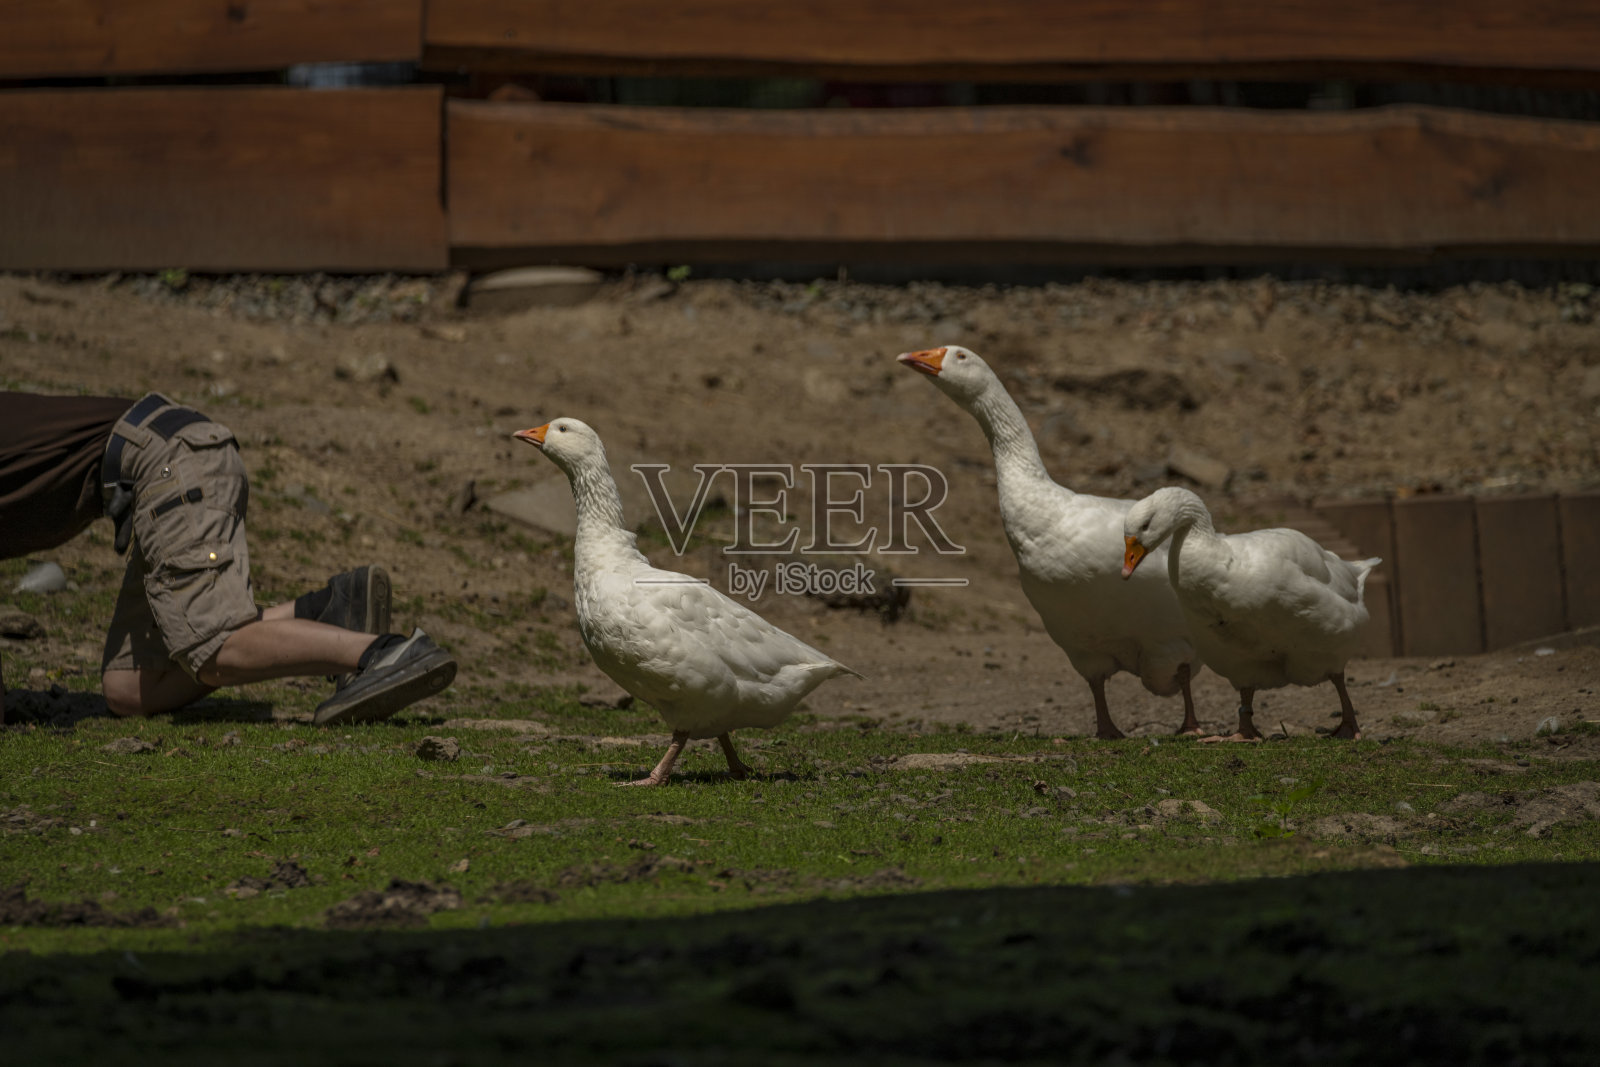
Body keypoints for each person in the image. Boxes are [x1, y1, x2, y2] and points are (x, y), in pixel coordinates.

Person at [0, 391, 456, 725]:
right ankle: (327, 610)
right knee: (130, 688)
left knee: (214, 649)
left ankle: (386, 652)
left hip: (167, 463)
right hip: (168, 461)